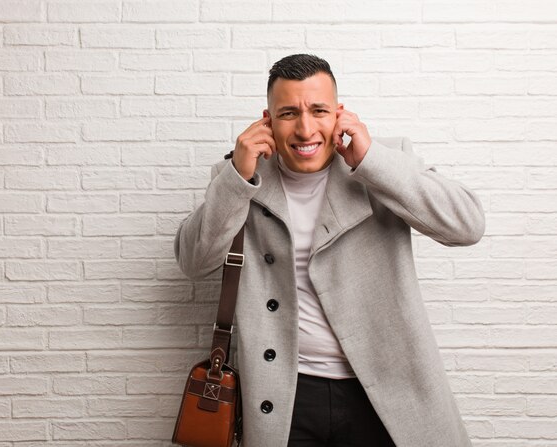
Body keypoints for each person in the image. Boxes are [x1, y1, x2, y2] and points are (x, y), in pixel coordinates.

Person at [174, 54, 484, 447]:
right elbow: (193, 262)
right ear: (267, 119)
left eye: (318, 110)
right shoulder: (239, 173)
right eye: (288, 113)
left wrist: (372, 161)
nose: (305, 129)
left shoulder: (383, 159)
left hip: (381, 389)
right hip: (285, 395)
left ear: (339, 113)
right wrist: (238, 178)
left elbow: (467, 225)